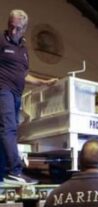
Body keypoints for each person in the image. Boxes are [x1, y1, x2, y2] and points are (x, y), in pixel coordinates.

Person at [0, 9, 57, 185]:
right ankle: (15, 171)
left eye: (17, 28)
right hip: (3, 91)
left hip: (17, 94)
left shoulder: (23, 50)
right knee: (8, 130)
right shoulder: (1, 41)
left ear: (24, 29)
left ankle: (4, 173)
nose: (13, 31)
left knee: (8, 132)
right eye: (11, 26)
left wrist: (44, 82)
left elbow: (24, 75)